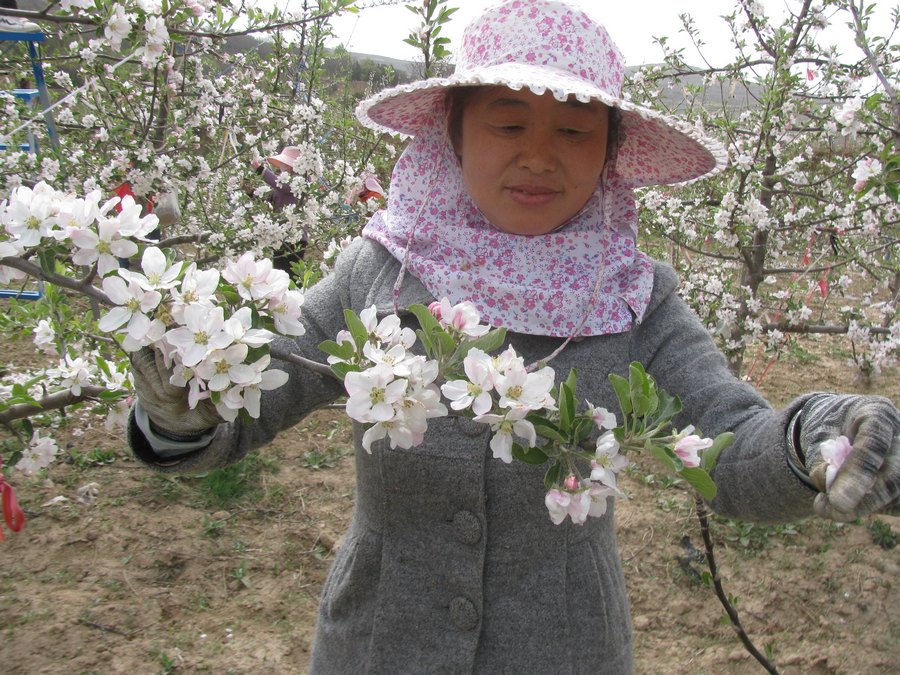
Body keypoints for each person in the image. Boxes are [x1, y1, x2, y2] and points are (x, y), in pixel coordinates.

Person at [127, 1, 900, 672]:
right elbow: (255, 399)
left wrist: (817, 435)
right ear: (455, 134)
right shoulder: (382, 271)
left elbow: (730, 447)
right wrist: (181, 410)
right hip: (378, 646)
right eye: (507, 122)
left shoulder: (633, 297)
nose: (538, 156)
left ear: (609, 153)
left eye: (574, 129)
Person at [249, 146, 308, 275]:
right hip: (280, 235)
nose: (281, 166)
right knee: (279, 274)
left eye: (284, 163)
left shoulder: (299, 182)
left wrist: (260, 169)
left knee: (292, 274)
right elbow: (268, 201)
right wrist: (251, 192)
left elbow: (282, 186)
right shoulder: (282, 185)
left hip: (295, 237)